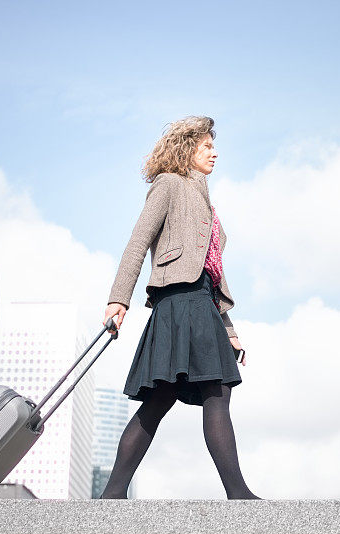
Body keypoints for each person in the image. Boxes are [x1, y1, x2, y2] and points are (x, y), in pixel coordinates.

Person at [98, 116, 260, 500]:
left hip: (201, 303)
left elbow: (211, 275)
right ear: (187, 148)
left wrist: (231, 332)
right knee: (209, 392)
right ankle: (237, 494)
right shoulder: (169, 185)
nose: (214, 152)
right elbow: (138, 243)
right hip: (177, 302)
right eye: (206, 146)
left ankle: (112, 494)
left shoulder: (205, 201)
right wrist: (118, 299)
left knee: (167, 397)